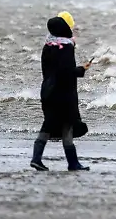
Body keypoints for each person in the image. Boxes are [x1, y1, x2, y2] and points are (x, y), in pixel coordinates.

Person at [30, 11, 92, 171]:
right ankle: (73, 163)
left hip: (48, 91)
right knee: (67, 126)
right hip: (63, 93)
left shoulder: (48, 46)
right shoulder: (66, 47)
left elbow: (50, 70)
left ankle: (37, 158)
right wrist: (81, 69)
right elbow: (66, 72)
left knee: (48, 125)